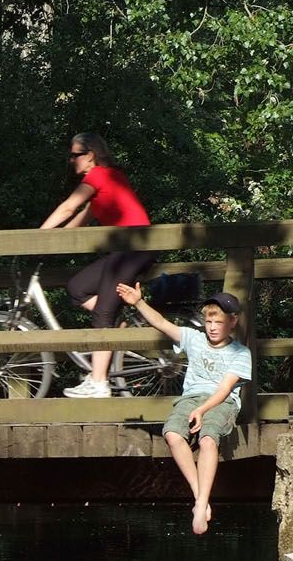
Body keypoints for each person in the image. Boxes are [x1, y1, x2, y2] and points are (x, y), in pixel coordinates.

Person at [116, 283, 252, 535]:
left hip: (221, 401)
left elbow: (224, 390)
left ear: (233, 322)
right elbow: (161, 323)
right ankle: (200, 498)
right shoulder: (194, 338)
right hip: (190, 398)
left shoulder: (240, 353)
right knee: (173, 433)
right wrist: (138, 302)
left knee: (209, 438)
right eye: (209, 321)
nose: (212, 327)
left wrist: (202, 410)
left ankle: (201, 503)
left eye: (219, 322)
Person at [39, 133, 153, 398]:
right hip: (125, 250)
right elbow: (78, 220)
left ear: (90, 155)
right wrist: (53, 245)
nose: (71, 160)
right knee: (77, 287)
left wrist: (36, 238)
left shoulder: (100, 176)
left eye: (75, 154)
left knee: (102, 312)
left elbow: (68, 207)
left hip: (132, 249)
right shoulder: (106, 183)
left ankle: (99, 382)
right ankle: (114, 323)